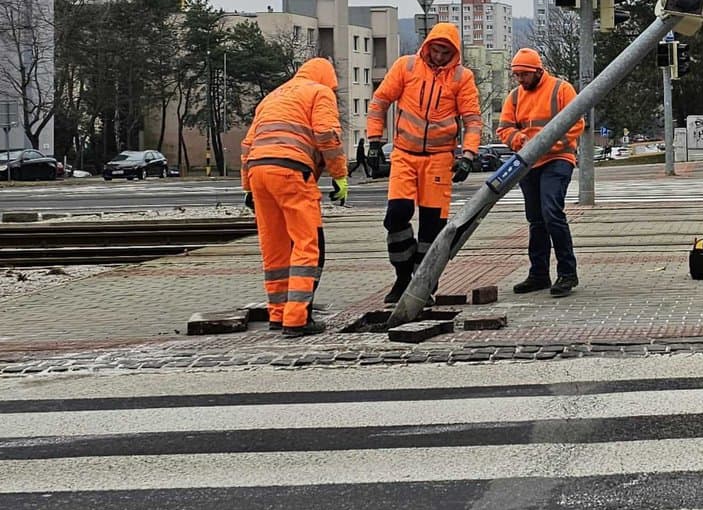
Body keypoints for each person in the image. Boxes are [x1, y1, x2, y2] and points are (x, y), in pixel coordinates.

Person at [366, 22, 483, 304]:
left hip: (440, 159)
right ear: (428, 46)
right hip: (405, 155)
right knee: (396, 216)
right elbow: (379, 102)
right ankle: (403, 275)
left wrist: (468, 156)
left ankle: (424, 281)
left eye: (446, 52)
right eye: (436, 50)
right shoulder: (406, 67)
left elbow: (472, 120)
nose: (440, 57)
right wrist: (373, 141)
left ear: (454, 53)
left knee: (431, 228)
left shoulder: (461, 77)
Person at [241, 56, 348, 337]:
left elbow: (247, 144)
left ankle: (277, 314)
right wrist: (339, 175)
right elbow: (327, 135)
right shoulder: (319, 92)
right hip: (290, 170)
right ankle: (297, 319)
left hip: (258, 170)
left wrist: (247, 188)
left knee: (274, 246)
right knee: (306, 242)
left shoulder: (273, 96)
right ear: (327, 79)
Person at [498, 48, 583, 297]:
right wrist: (519, 140)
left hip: (558, 159)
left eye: (524, 74)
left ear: (537, 71)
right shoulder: (514, 97)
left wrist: (547, 144)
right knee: (536, 218)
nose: (520, 79)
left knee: (551, 213)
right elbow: (504, 128)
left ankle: (567, 273)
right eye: (516, 75)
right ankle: (539, 274)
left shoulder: (561, 89)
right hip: (529, 163)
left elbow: (577, 122)